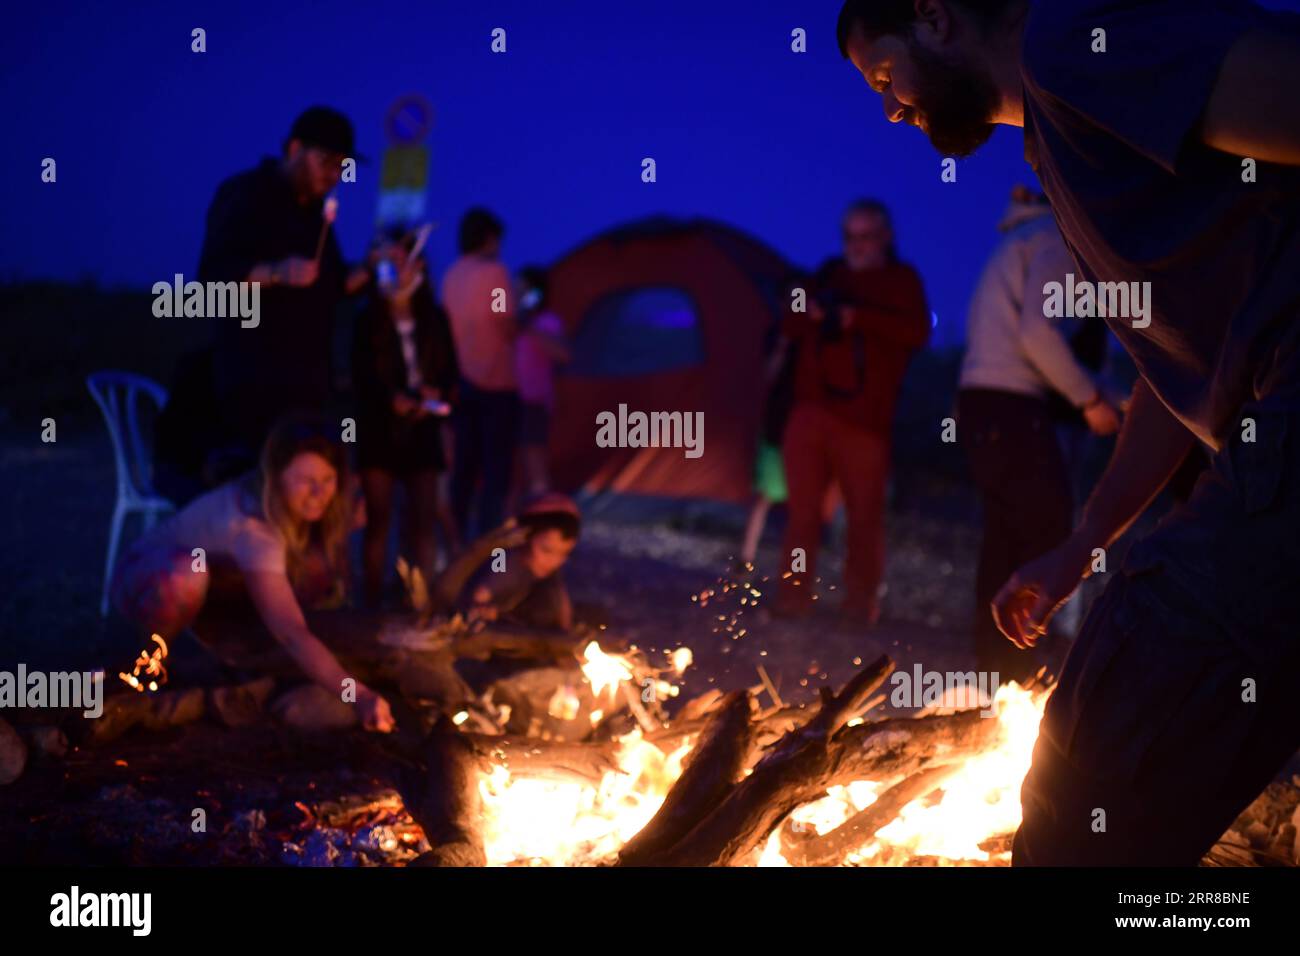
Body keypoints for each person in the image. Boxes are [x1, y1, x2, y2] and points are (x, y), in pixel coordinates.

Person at [838, 0, 1300, 865]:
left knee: (1095, 769)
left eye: (882, 75)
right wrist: (1082, 543)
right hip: (1261, 429)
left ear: (937, 17)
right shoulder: (1058, 143)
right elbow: (1183, 375)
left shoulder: (1070, 43)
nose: (890, 107)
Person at [110, 418, 396, 732]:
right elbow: (290, 632)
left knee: (305, 574)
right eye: (306, 480)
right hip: (141, 578)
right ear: (275, 478)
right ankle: (150, 666)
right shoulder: (253, 529)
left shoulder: (288, 503)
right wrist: (359, 696)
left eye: (327, 479)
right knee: (185, 577)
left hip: (215, 581)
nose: (319, 492)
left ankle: (231, 649)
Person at [958, 185, 1121, 681]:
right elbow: (1037, 334)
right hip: (1013, 408)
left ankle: (997, 675)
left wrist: (1115, 394)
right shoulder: (1054, 239)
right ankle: (1018, 675)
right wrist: (1089, 400)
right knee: (1044, 533)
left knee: (1007, 537)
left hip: (983, 404)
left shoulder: (1018, 239)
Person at [777, 199, 931, 624]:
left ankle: (859, 606)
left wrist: (857, 318)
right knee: (802, 513)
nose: (858, 245)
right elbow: (789, 324)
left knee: (864, 517)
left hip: (865, 422)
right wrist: (806, 308)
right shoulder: (828, 274)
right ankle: (792, 597)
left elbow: (917, 332)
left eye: (867, 236)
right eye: (851, 236)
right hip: (811, 412)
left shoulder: (901, 282)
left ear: (886, 237)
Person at [197, 106, 372, 470]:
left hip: (307, 386)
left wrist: (374, 265)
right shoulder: (246, 194)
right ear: (294, 149)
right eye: (325, 160)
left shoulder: (315, 212)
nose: (334, 173)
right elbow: (213, 276)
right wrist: (276, 272)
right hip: (254, 382)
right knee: (256, 491)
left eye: (341, 165)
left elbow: (336, 283)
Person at [351, 229, 460, 608]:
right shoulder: (367, 317)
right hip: (380, 428)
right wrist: (390, 398)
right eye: (392, 262)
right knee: (379, 519)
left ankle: (421, 601)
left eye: (406, 261)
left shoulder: (434, 316)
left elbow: (450, 371)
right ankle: (371, 600)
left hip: (423, 427)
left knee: (423, 520)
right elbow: (358, 374)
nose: (400, 270)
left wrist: (438, 392)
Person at [440, 207, 520, 540]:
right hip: (496, 383)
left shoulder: (452, 274)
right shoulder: (495, 274)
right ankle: (488, 547)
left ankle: (454, 544)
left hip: (462, 382)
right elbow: (504, 322)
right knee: (494, 474)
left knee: (463, 468)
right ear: (489, 238)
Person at [434, 493, 581, 632]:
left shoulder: (544, 569)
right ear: (523, 537)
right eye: (546, 550)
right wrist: (482, 608)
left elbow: (562, 604)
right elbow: (481, 593)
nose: (554, 561)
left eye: (564, 553)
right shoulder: (504, 560)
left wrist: (567, 633)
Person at [513, 266, 570, 502]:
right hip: (513, 396)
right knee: (520, 454)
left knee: (534, 452)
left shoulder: (547, 321)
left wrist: (531, 328)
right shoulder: (514, 321)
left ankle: (542, 501)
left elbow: (563, 354)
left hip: (535, 398)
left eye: (524, 288)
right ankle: (522, 503)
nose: (519, 292)